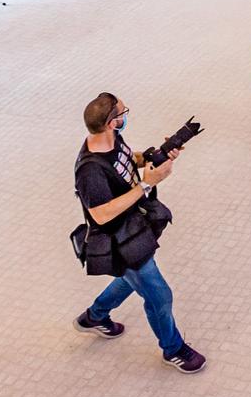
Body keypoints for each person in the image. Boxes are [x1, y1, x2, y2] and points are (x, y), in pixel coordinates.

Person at [72, 91, 205, 374]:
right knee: (159, 295)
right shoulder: (90, 171)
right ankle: (173, 349)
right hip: (120, 240)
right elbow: (101, 213)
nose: (125, 115)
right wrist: (147, 184)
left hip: (134, 227)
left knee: (132, 279)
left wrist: (152, 156)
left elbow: (126, 159)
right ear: (112, 122)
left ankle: (95, 316)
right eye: (123, 112)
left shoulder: (112, 140)